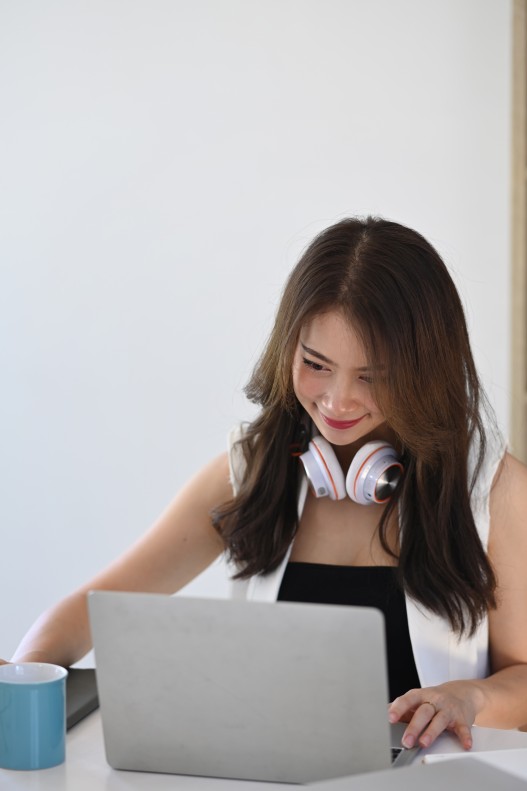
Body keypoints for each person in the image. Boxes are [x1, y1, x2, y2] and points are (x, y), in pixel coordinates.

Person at [3, 217, 527, 753]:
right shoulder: (249, 471)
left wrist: (470, 697)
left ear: (425, 370)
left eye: (373, 376)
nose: (337, 400)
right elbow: (91, 609)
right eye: (316, 364)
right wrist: (21, 677)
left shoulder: (492, 487)